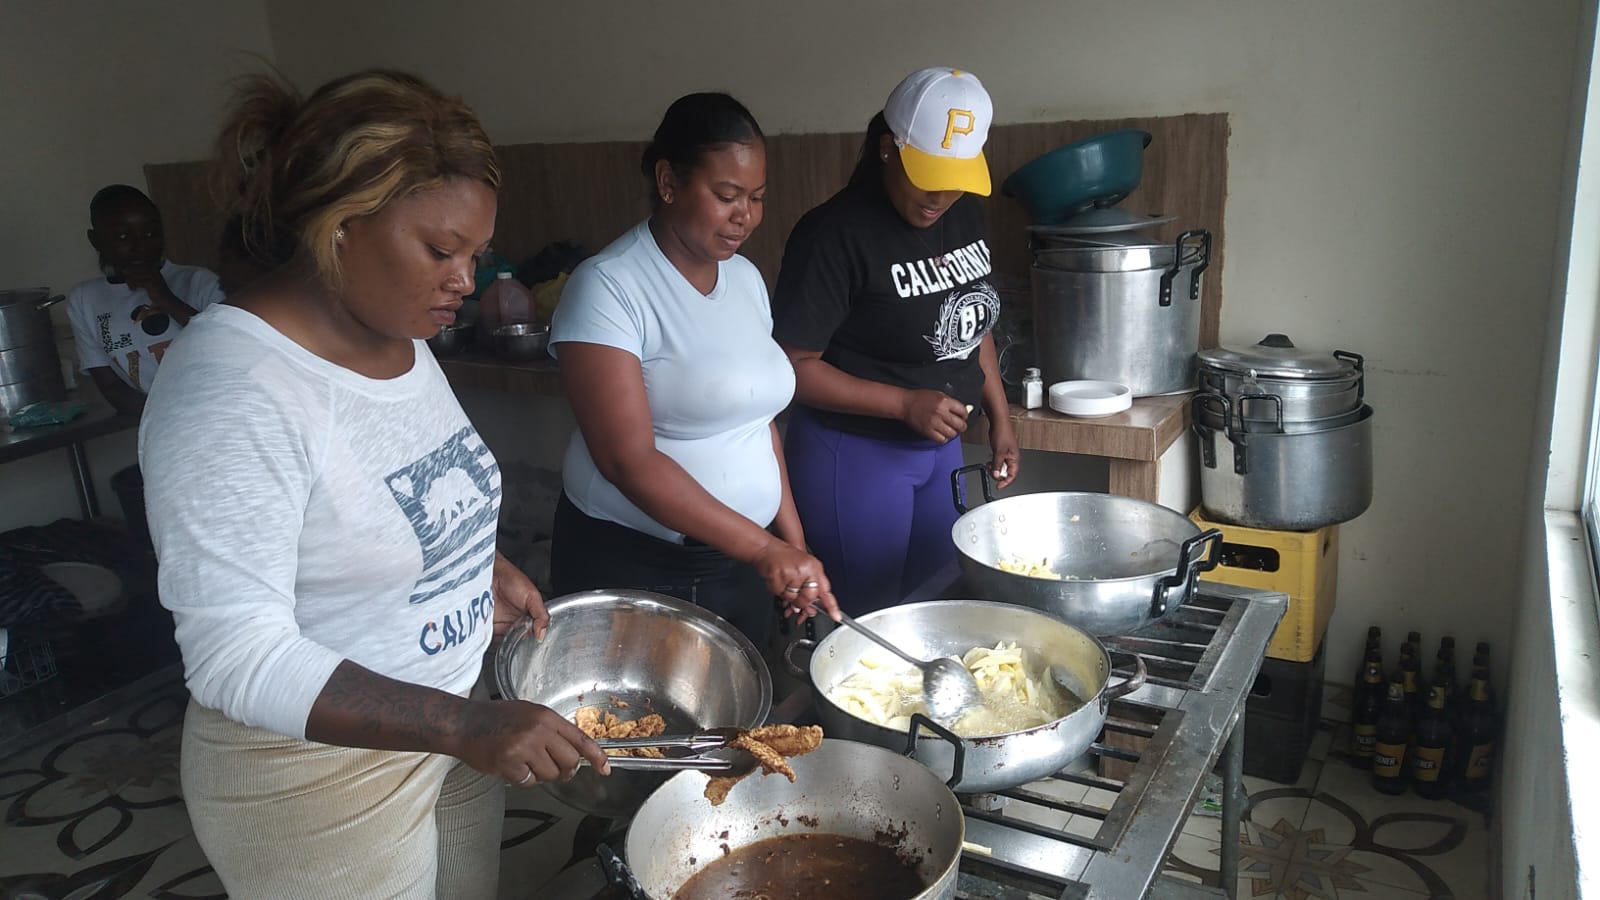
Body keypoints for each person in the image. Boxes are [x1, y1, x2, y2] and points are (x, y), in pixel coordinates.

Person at [137, 69, 609, 900]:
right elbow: (236, 656)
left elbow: (389, 499)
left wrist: (471, 565)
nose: (466, 280)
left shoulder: (398, 334)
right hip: (319, 782)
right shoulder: (235, 388)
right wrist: (466, 724)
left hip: (450, 731)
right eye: (440, 250)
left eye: (474, 253)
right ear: (339, 225)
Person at [548, 92, 841, 645]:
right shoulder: (609, 286)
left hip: (741, 561)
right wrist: (764, 547)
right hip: (639, 566)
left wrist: (792, 545)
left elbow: (757, 423)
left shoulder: (746, 279)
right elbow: (627, 460)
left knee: (740, 696)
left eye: (756, 198)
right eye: (726, 196)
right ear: (668, 181)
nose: (745, 216)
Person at [771, 67, 1021, 617]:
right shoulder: (833, 235)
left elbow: (972, 324)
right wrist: (903, 403)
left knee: (936, 605)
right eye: (926, 175)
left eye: (954, 178)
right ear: (888, 149)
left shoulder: (963, 213)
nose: (939, 195)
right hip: (855, 455)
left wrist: (1000, 418)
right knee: (866, 624)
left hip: (941, 451)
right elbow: (791, 367)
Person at [66, 184, 227, 416]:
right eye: (123, 237)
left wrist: (165, 298)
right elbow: (111, 386)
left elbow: (231, 345)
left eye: (151, 234)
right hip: (159, 425)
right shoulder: (84, 300)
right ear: (96, 240)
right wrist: (165, 422)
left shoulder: (199, 282)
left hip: (220, 411)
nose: (140, 247)